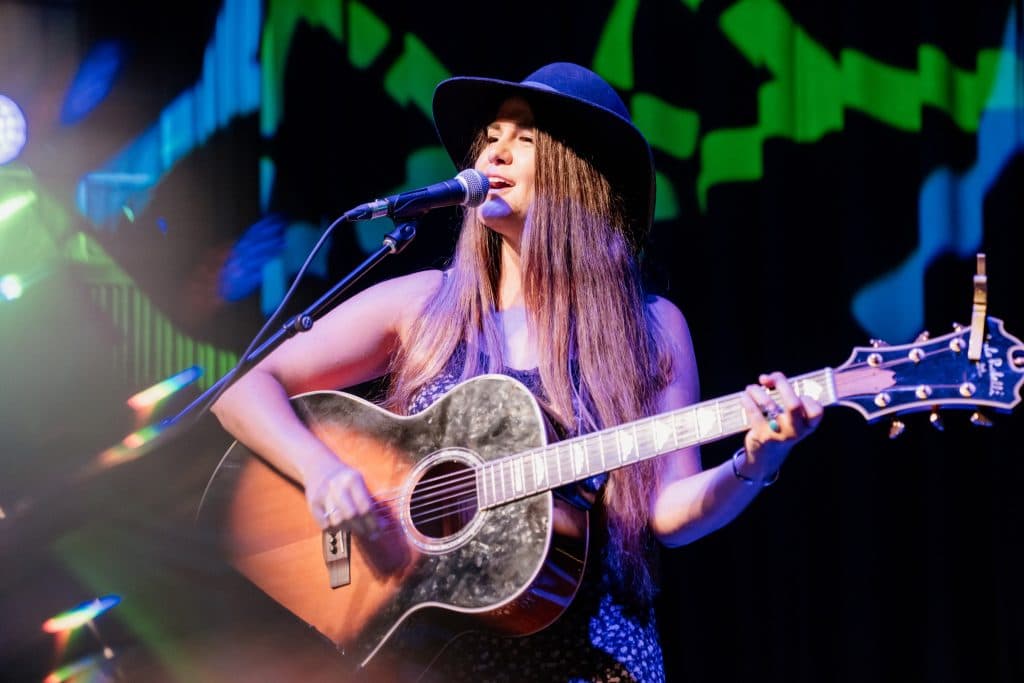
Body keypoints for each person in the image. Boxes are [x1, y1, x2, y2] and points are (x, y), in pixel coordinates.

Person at [211, 62, 823, 682]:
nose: (495, 150)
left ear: (575, 175)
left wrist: (755, 462)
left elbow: (666, 510)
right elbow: (241, 390)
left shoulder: (652, 326)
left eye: (524, 139)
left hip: (597, 660)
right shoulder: (425, 304)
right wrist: (321, 471)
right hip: (431, 661)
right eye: (492, 135)